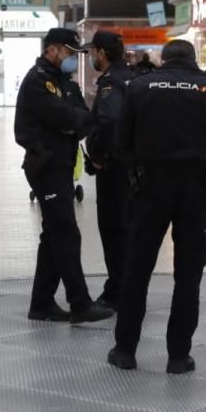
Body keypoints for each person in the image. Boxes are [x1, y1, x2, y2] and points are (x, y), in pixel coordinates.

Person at [108, 39, 206, 374]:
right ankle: (178, 356)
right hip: (196, 188)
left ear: (163, 59)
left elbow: (122, 141)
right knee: (188, 274)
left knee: (137, 269)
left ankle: (125, 350)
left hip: (150, 187)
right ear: (195, 60)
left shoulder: (139, 88)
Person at [15, 28, 114, 325]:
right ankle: (80, 303)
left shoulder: (64, 83)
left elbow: (85, 119)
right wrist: (72, 123)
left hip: (62, 164)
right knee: (66, 232)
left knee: (54, 234)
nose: (75, 59)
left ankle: (42, 302)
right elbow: (68, 118)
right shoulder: (38, 82)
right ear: (54, 50)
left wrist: (73, 123)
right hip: (45, 166)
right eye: (71, 54)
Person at [85, 31, 135, 311]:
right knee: (128, 229)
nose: (92, 57)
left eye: (92, 51)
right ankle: (129, 286)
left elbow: (110, 121)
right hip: (133, 167)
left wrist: (100, 155)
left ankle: (117, 290)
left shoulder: (110, 84)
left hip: (114, 169)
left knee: (114, 229)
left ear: (101, 53)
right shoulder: (135, 78)